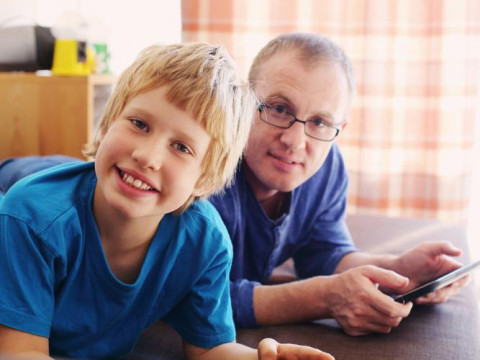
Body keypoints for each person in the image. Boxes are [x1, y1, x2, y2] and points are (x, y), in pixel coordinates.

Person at [0, 33, 470, 338]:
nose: (296, 140)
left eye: (321, 122)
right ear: (245, 107)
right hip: (35, 181)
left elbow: (323, 252)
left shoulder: (324, 167)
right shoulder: (196, 177)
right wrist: (325, 296)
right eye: (279, 108)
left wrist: (393, 271)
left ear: (337, 127)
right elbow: (191, 293)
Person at [0, 42, 334, 360]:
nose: (147, 156)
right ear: (106, 124)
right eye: (139, 124)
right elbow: (20, 351)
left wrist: (260, 356)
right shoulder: (30, 218)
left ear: (204, 179)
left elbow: (209, 349)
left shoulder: (206, 241)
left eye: (182, 147)